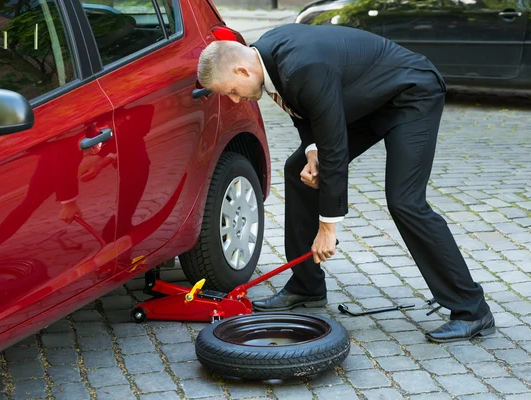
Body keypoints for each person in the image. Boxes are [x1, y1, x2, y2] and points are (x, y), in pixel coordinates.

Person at [196, 23, 495, 342]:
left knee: (405, 201)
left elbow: (334, 148)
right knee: (298, 168)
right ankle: (306, 286)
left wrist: (328, 227)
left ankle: (471, 310)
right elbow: (302, 108)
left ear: (241, 69)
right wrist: (311, 151)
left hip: (410, 95)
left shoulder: (303, 67)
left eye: (230, 90)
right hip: (364, 100)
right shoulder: (265, 59)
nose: (235, 99)